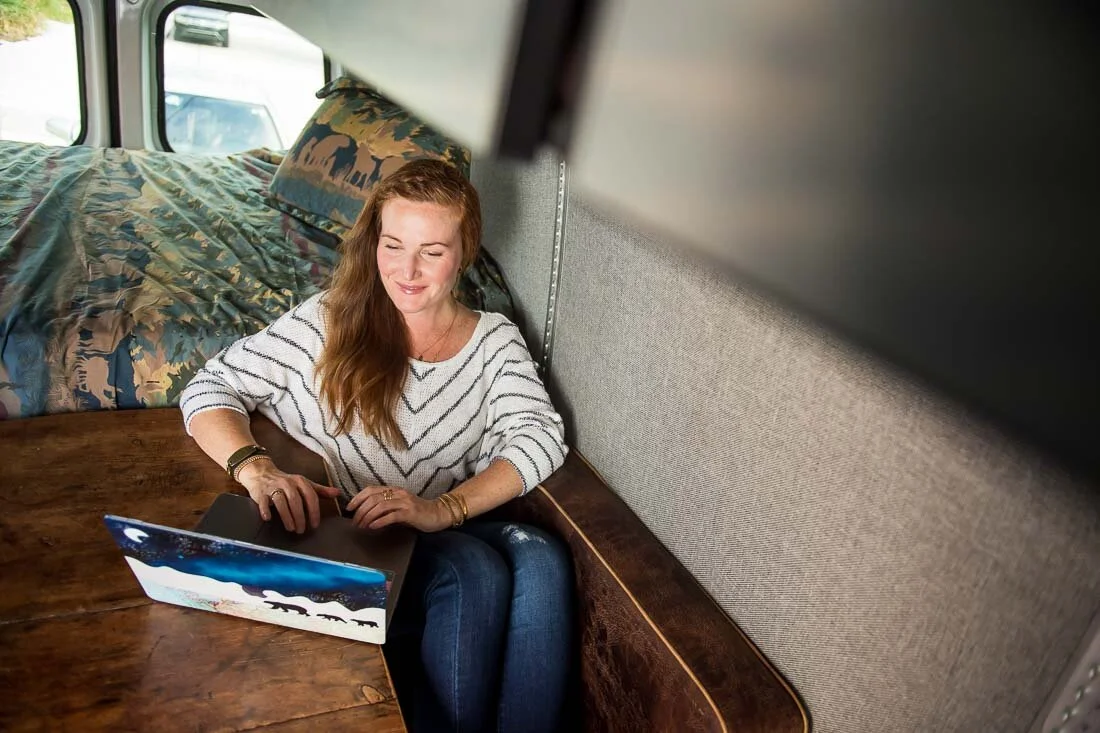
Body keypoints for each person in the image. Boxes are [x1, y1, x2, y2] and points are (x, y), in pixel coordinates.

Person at [179, 159, 572, 733]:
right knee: (474, 569)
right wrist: (256, 470)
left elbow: (541, 438)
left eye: (432, 252)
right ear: (375, 243)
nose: (407, 271)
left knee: (539, 554)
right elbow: (210, 387)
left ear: (464, 253)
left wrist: (441, 509)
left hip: (433, 534)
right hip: (349, 541)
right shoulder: (328, 320)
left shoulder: (493, 340)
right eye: (394, 245)